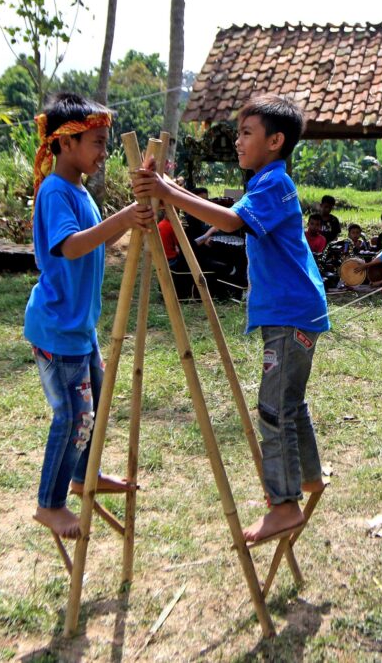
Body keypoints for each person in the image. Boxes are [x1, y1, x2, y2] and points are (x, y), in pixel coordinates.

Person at [133, 94, 329, 542]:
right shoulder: (265, 181)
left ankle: (283, 504)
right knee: (290, 402)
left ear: (276, 141)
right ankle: (309, 475)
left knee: (273, 406)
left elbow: (231, 223)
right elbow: (229, 217)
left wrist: (168, 193)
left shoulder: (275, 184)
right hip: (292, 311)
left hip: (290, 314)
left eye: (246, 134)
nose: (237, 142)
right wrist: (170, 189)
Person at [25, 92, 155, 540]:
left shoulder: (77, 190)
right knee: (72, 416)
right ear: (65, 144)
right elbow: (72, 245)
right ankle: (50, 503)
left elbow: (94, 243)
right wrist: (123, 217)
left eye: (105, 142)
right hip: (57, 329)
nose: (103, 152)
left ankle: (85, 475)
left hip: (80, 328)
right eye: (97, 143)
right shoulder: (56, 192)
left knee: (93, 408)